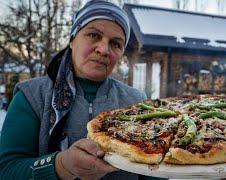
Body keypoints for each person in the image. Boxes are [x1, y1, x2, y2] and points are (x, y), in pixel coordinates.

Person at [0, 1, 160, 179]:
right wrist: (61, 165)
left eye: (116, 44)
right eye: (93, 35)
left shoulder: (136, 101)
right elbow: (6, 170)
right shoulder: (32, 96)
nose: (103, 49)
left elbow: (153, 168)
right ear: (72, 40)